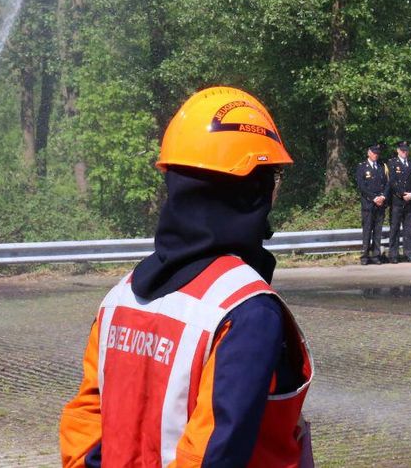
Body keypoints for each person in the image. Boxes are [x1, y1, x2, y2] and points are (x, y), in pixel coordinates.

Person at [59, 87, 313, 468]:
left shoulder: (120, 299)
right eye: (273, 176)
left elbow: (85, 427)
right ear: (251, 188)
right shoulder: (246, 311)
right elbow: (215, 455)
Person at [355, 144, 388, 264]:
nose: (376, 155)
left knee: (378, 231)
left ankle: (375, 256)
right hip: (369, 204)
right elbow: (361, 186)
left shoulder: (381, 166)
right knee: (367, 230)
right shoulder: (362, 167)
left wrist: (383, 196)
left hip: (380, 204)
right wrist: (374, 198)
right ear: (368, 153)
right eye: (374, 153)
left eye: (377, 153)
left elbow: (387, 184)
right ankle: (364, 256)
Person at [386, 141, 411, 262]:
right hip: (397, 201)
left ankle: (408, 253)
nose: (404, 152)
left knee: (409, 229)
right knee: (394, 229)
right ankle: (393, 255)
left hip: (410, 200)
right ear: (398, 150)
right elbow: (392, 181)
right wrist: (402, 194)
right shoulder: (392, 163)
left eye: (406, 150)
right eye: (402, 150)